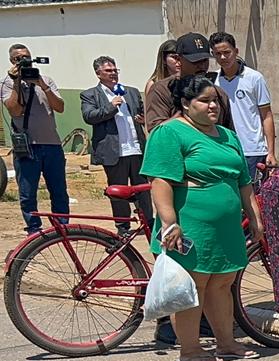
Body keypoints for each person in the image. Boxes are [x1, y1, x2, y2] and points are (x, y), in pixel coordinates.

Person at [141, 74, 263, 361]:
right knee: (193, 284)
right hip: (191, 223)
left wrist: (256, 220)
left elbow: (244, 183)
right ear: (185, 103)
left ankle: (225, 341)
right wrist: (170, 222)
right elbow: (160, 181)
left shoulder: (227, 135)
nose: (213, 107)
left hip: (225, 227)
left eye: (215, 101)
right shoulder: (170, 133)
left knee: (222, 282)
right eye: (204, 101)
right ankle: (190, 349)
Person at [3, 43, 69, 236]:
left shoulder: (45, 80)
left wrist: (41, 84)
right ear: (12, 61)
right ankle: (34, 228)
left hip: (52, 145)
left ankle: (62, 225)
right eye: (18, 58)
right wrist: (16, 81)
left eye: (26, 57)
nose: (23, 61)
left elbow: (60, 107)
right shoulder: (7, 82)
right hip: (27, 146)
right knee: (28, 191)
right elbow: (14, 109)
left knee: (59, 189)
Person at [80, 56, 151, 235]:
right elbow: (89, 117)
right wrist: (111, 107)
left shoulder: (131, 92)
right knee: (119, 191)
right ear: (98, 73)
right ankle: (123, 226)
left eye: (115, 70)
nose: (113, 74)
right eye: (108, 71)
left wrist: (143, 120)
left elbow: (142, 113)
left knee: (142, 188)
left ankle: (148, 222)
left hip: (136, 148)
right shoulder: (90, 95)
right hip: (114, 151)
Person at [210, 32, 276, 183]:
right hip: (225, 148)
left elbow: (266, 115)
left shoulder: (254, 78)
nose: (223, 58)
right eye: (218, 54)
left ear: (236, 51)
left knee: (255, 197)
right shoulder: (213, 81)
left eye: (227, 52)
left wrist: (271, 152)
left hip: (253, 150)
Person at [144, 33, 234, 133]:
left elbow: (228, 131)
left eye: (205, 60)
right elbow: (155, 132)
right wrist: (183, 117)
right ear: (178, 60)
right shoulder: (162, 90)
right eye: (195, 61)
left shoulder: (218, 93)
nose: (202, 66)